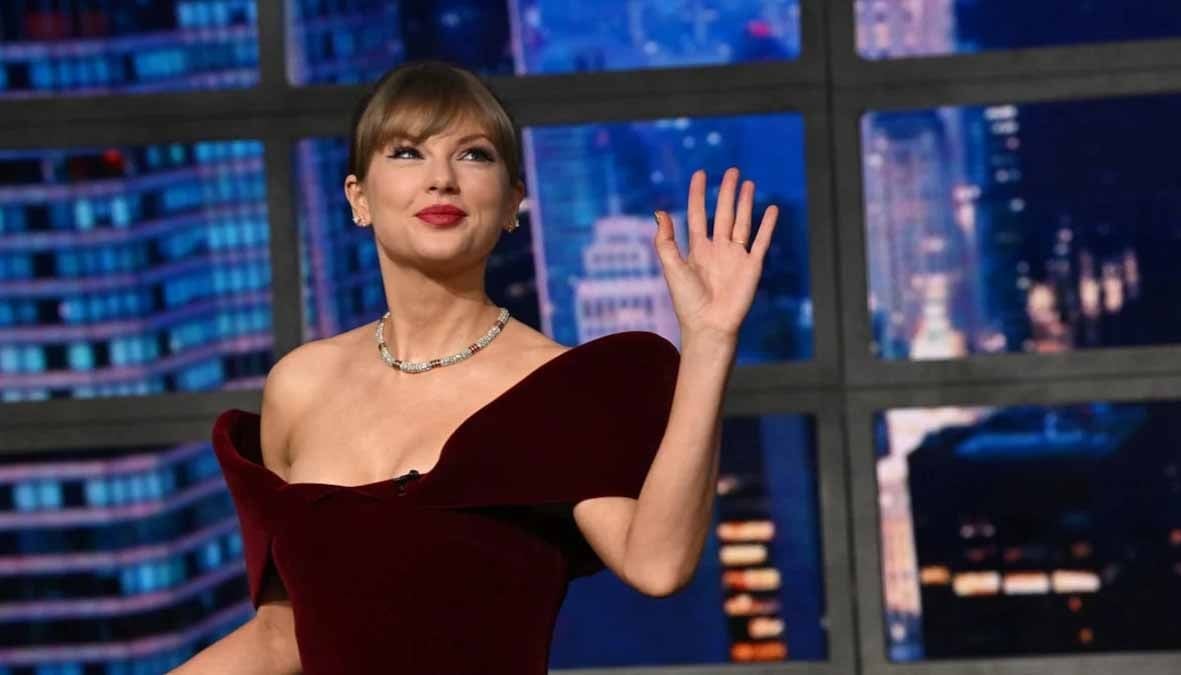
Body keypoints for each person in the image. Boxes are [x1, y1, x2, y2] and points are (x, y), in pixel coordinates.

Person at [171, 60, 777, 674]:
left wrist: (709, 341)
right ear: (359, 198)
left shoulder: (559, 391)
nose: (441, 180)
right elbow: (282, 635)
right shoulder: (299, 385)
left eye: (474, 155)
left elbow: (658, 565)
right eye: (407, 153)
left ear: (513, 201)